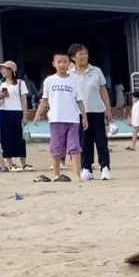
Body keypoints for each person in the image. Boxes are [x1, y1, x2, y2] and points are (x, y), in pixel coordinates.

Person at [34, 52, 89, 182]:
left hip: (73, 119)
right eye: (59, 62)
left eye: (65, 62)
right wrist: (38, 114)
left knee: (75, 147)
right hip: (56, 119)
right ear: (54, 64)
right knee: (56, 147)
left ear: (69, 64)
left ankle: (77, 174)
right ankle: (56, 174)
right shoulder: (49, 80)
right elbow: (44, 99)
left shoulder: (74, 81)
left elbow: (80, 100)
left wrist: (84, 117)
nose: (62, 64)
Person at [69, 44, 113, 180]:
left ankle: (105, 168)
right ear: (73, 57)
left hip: (97, 110)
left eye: (85, 53)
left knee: (101, 140)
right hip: (79, 113)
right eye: (80, 54)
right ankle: (86, 168)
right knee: (84, 141)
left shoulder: (96, 71)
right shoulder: (69, 74)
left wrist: (108, 109)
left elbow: (103, 90)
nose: (84, 56)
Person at [0, 61, 31, 171]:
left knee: (19, 137)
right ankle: (10, 163)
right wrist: (0, 96)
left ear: (11, 70)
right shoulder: (0, 83)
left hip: (17, 112)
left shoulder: (20, 83)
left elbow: (24, 100)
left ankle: (23, 163)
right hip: (3, 112)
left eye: (4, 69)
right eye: (1, 69)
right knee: (6, 137)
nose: (2, 71)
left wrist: (25, 116)